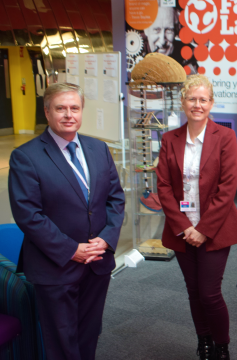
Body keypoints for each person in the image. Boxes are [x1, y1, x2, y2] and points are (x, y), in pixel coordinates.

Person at [8, 83, 125, 360]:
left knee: (88, 332)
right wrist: (71, 249)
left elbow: (115, 199)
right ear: (47, 112)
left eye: (74, 108)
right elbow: (28, 214)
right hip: (55, 265)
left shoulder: (98, 149)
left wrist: (106, 239)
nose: (68, 114)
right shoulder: (26, 156)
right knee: (61, 339)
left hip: (97, 261)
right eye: (60, 108)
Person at [156, 74, 237, 360]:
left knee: (209, 293)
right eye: (192, 99)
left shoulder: (226, 137)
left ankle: (222, 345)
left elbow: (228, 186)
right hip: (182, 229)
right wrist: (184, 227)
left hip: (215, 229)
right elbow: (164, 187)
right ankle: (203, 341)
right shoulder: (170, 139)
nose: (197, 105)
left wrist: (203, 229)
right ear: (183, 102)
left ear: (211, 103)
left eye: (203, 100)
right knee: (194, 292)